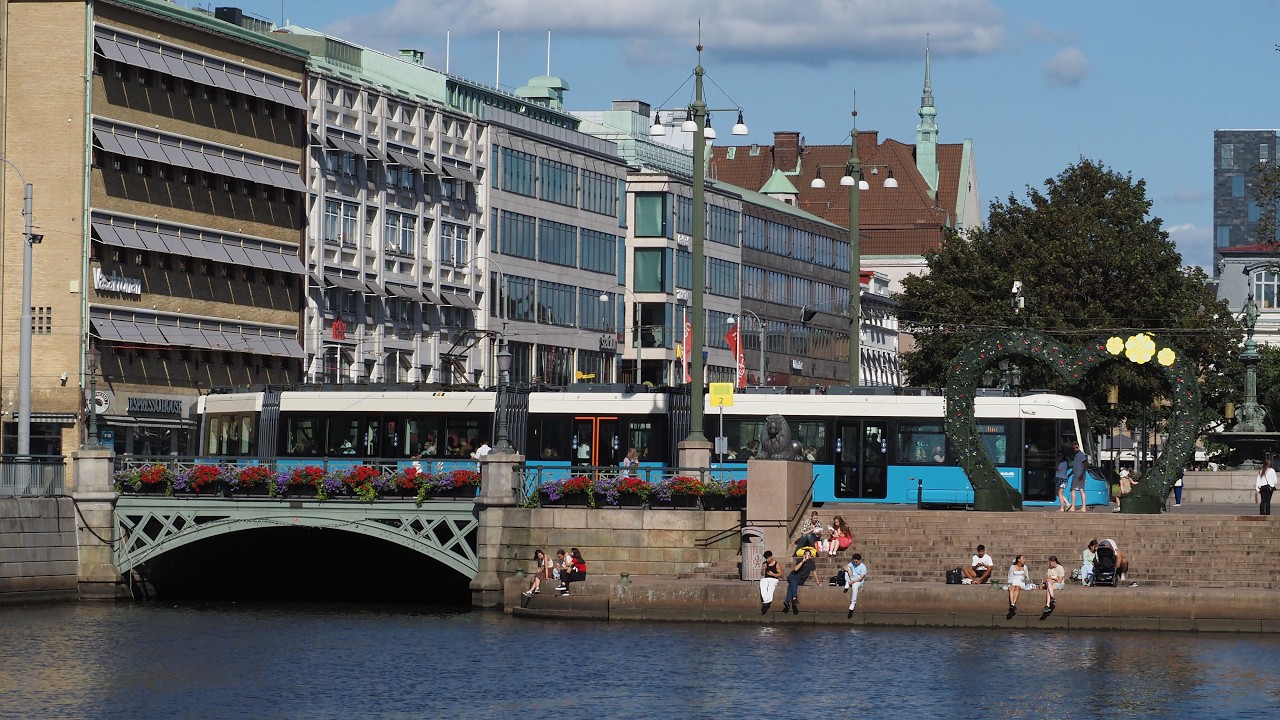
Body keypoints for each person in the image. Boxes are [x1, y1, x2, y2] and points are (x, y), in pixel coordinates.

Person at [781, 547, 816, 614]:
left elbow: (814, 572)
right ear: (803, 555)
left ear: (810, 556)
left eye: (808, 555)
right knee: (793, 580)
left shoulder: (812, 562)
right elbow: (795, 569)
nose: (807, 556)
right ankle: (794, 598)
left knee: (791, 585)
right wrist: (802, 561)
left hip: (800, 580)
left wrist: (818, 582)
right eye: (806, 554)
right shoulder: (799, 560)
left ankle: (788, 601)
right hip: (792, 576)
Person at [1006, 554, 1033, 619]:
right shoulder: (1012, 567)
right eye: (1023, 558)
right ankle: (1012, 604)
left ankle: (1013, 604)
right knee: (1012, 588)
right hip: (1013, 580)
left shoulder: (1025, 567)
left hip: (1021, 582)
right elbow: (1010, 576)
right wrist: (1011, 583)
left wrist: (1025, 576)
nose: (1024, 560)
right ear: (1019, 560)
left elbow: (1028, 579)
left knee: (1017, 588)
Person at [844, 553, 869, 618]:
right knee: (846, 571)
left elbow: (861, 578)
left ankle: (853, 603)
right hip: (852, 578)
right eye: (854, 561)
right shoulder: (852, 563)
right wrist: (848, 569)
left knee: (854, 587)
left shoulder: (863, 567)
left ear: (860, 560)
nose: (855, 563)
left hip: (859, 581)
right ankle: (847, 582)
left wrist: (853, 581)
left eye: (856, 562)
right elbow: (845, 566)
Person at [759, 550, 783, 614]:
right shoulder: (764, 564)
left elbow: (780, 574)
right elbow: (762, 574)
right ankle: (766, 601)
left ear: (771, 557)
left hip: (774, 578)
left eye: (768, 558)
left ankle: (767, 601)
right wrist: (763, 569)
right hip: (766, 578)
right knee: (762, 584)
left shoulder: (776, 564)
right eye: (766, 558)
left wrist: (773, 574)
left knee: (771, 587)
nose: (767, 560)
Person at [1069, 441, 1088, 511]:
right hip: (1077, 475)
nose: (1075, 449)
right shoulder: (1076, 455)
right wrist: (1070, 474)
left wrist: (1082, 475)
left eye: (1076, 447)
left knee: (1073, 489)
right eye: (1073, 448)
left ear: (1079, 447)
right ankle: (1083, 507)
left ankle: (1073, 507)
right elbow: (1075, 467)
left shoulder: (1081, 454)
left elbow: (1085, 465)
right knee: (1080, 490)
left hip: (1079, 475)